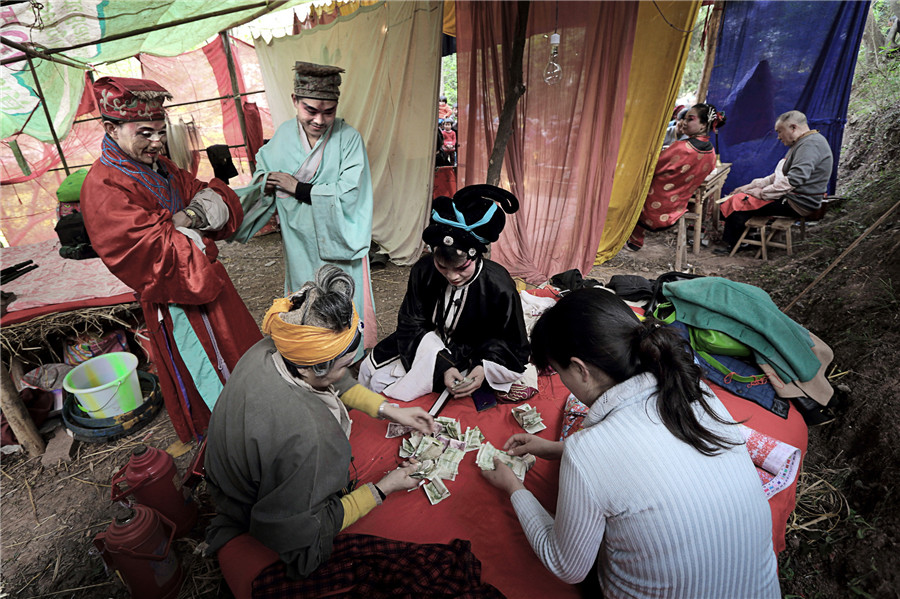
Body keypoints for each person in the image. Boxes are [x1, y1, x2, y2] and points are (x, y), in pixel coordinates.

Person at [481, 289, 780, 597]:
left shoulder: (590, 450)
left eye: (559, 372)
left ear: (581, 369)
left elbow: (566, 565)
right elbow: (654, 459)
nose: (562, 382)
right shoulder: (698, 394)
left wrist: (514, 487)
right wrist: (557, 449)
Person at [205, 265, 436, 579]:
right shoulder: (311, 435)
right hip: (245, 506)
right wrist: (383, 488)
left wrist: (389, 410)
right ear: (309, 369)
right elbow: (306, 532)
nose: (350, 374)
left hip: (226, 478)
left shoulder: (272, 348)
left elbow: (330, 380)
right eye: (345, 366)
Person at [80, 76, 262, 443]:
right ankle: (233, 446)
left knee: (241, 356)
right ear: (110, 128)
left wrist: (187, 220)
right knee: (208, 374)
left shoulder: (160, 167)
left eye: (161, 132)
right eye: (144, 133)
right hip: (176, 301)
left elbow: (218, 200)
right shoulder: (104, 187)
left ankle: (257, 421)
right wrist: (193, 226)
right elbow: (155, 254)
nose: (157, 142)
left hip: (209, 285)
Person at [231, 61, 376, 354]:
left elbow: (350, 194)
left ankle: (348, 356)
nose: (320, 120)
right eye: (311, 110)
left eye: (328, 111)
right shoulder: (282, 138)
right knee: (307, 298)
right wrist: (267, 181)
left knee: (342, 299)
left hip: (339, 243)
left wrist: (297, 187)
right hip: (299, 242)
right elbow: (262, 178)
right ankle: (311, 357)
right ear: (295, 101)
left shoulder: (348, 139)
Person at [358, 185, 530, 402]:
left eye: (460, 268)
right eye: (442, 266)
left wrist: (482, 368)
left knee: (401, 389)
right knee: (370, 372)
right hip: (424, 344)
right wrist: (442, 365)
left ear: (476, 256)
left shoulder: (499, 285)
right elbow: (411, 323)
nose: (452, 276)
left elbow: (511, 342)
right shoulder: (424, 270)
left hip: (472, 354)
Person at [716, 110, 834, 254]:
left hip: (798, 202)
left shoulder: (809, 145)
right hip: (794, 196)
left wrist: (760, 193)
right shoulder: (804, 142)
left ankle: (732, 244)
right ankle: (745, 238)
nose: (778, 137)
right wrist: (751, 186)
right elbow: (779, 176)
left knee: (740, 201)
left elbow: (792, 181)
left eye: (780, 131)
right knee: (743, 195)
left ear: (793, 127)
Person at [627, 103, 726, 251]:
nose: (684, 122)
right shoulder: (711, 154)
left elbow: (651, 168)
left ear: (704, 125)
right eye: (684, 118)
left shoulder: (681, 148)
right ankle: (635, 239)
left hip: (649, 211)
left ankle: (632, 238)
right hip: (676, 210)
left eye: (690, 119)